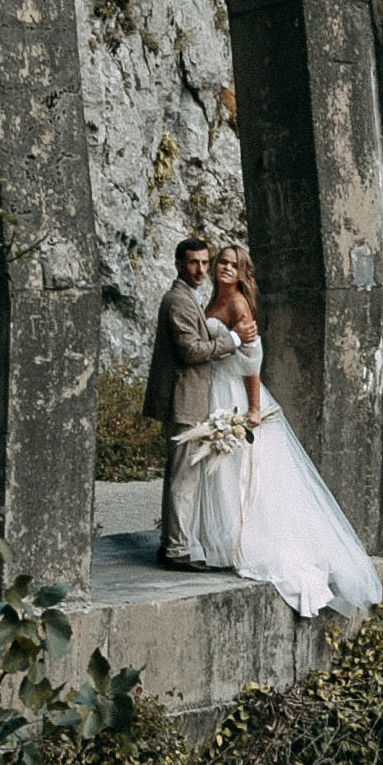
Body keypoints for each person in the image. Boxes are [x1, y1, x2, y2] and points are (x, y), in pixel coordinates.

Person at [189, 244, 383, 622]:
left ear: (243, 271)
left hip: (234, 393)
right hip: (213, 388)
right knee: (218, 473)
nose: (226, 268)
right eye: (222, 263)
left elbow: (251, 360)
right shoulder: (214, 299)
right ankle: (215, 542)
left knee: (242, 473)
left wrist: (254, 408)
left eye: (234, 264)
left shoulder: (239, 306)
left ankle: (240, 544)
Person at [143, 235, 243, 567]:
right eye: (193, 263)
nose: (201, 269)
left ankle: (172, 543)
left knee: (182, 475)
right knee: (183, 477)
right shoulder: (178, 301)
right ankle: (175, 550)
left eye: (204, 262)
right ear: (179, 264)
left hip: (189, 397)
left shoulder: (190, 297)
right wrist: (232, 341)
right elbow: (191, 351)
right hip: (183, 399)